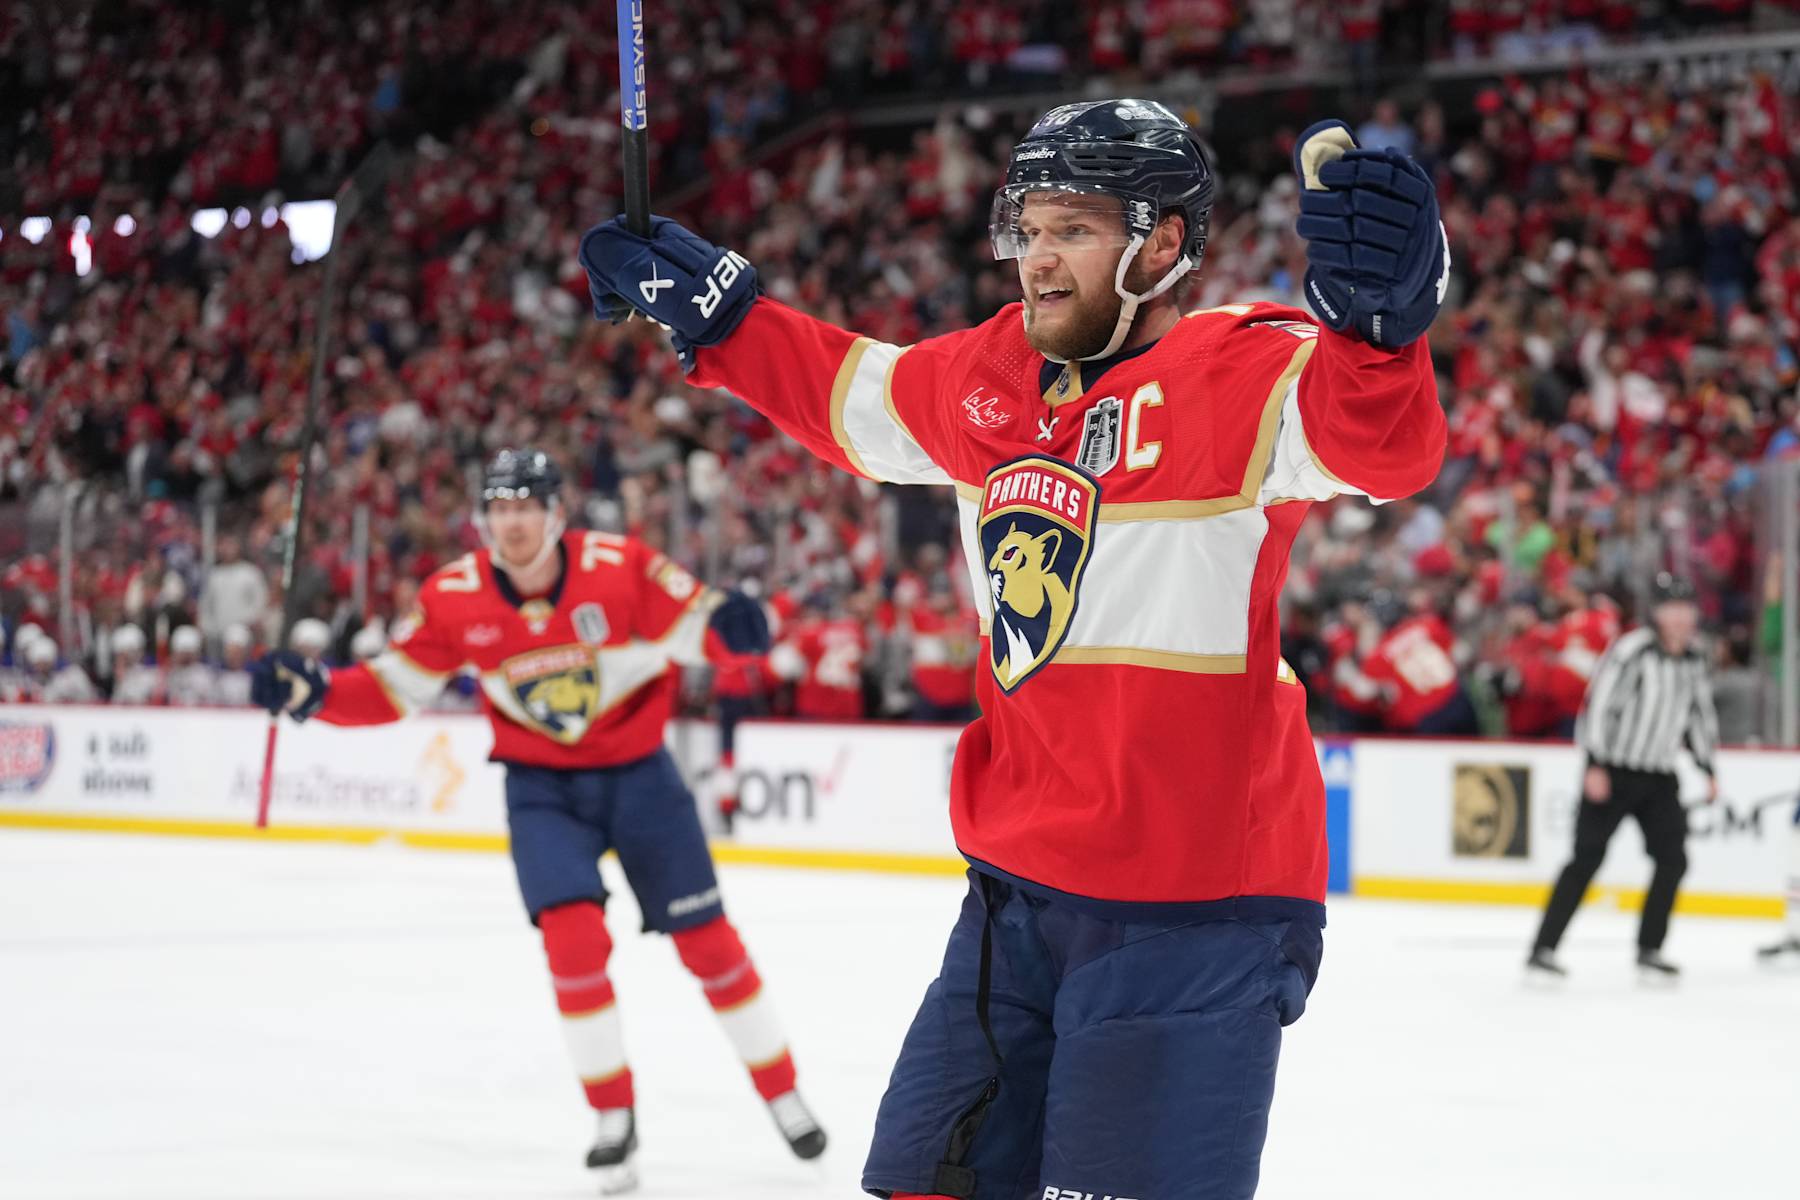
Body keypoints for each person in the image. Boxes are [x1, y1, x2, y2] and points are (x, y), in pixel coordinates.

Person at [581, 101, 1448, 1200]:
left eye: (1074, 230)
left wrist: (1382, 338)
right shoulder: (985, 376)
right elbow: (846, 394)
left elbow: (1383, 448)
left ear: (1163, 244)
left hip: (1189, 909)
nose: (1037, 257)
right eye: (1028, 227)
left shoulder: (1251, 367)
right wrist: (716, 314)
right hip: (1015, 900)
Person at [251, 449, 825, 1190]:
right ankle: (612, 1116)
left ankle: (784, 1093)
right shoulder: (454, 596)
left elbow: (698, 625)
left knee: (709, 945)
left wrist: (736, 631)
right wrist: (313, 693)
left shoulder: (621, 568)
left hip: (641, 777)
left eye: (527, 505)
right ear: (483, 520)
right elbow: (393, 690)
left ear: (557, 514)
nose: (513, 521)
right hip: (543, 787)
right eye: (499, 507)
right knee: (573, 941)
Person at [1528, 573, 1721, 980]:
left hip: (1659, 775)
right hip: (1614, 770)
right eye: (1672, 608)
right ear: (1657, 612)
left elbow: (1698, 712)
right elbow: (1600, 704)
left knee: (1673, 860)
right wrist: (1595, 762)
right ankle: (1542, 950)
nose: (1681, 617)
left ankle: (1649, 949)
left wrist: (1707, 766)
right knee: (1586, 858)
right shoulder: (1633, 649)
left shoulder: (1694, 656)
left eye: (1687, 608)